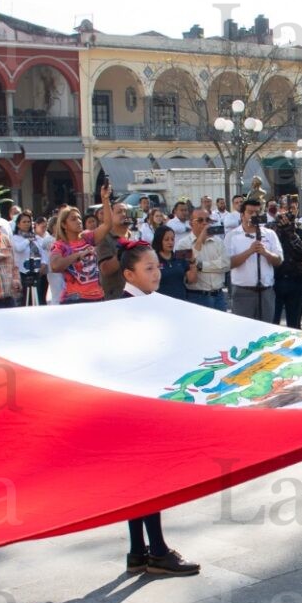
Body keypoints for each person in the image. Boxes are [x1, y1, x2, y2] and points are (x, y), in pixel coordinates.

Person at [116, 241, 202, 577]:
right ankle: (158, 551)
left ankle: (139, 550)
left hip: (139, 403)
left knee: (138, 478)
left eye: (157, 266)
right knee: (148, 478)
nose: (157, 273)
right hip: (138, 405)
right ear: (128, 274)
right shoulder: (130, 308)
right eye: (148, 268)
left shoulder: (143, 304)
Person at [226, 198, 283, 322]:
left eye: (257, 213)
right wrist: (249, 252)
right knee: (243, 332)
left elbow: (279, 260)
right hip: (243, 292)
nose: (254, 216)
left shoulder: (270, 234)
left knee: (266, 333)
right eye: (250, 212)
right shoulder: (232, 235)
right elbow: (228, 264)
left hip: (266, 292)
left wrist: (265, 253)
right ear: (242, 215)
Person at [176, 205, 229, 311]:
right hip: (198, 297)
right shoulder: (182, 245)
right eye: (200, 220)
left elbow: (226, 265)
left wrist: (201, 265)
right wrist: (200, 240)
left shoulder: (218, 241)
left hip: (219, 296)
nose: (205, 223)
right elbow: (188, 268)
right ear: (191, 224)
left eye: (207, 220)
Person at [49, 208, 102, 305]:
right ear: (64, 224)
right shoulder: (60, 245)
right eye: (73, 219)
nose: (78, 221)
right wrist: (78, 255)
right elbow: (55, 266)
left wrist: (105, 199)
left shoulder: (88, 238)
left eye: (79, 218)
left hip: (98, 296)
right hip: (75, 299)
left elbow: (108, 225)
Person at [272, 208, 302, 329]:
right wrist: (279, 230)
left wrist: (291, 233)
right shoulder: (271, 229)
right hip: (276, 279)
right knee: (272, 322)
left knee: (294, 324)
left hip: (296, 280)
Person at [10, 210, 48, 306]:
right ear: (18, 224)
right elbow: (19, 248)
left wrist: (43, 263)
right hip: (22, 273)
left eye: (28, 222)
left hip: (37, 272)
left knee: (39, 299)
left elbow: (43, 251)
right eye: (24, 222)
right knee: (24, 301)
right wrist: (28, 239)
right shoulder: (15, 238)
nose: (27, 224)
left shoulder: (36, 237)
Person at [151, 224, 195, 300]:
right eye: (166, 239)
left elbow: (191, 280)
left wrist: (193, 262)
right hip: (160, 302)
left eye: (172, 239)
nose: (170, 242)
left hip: (181, 301)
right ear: (159, 241)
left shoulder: (180, 255)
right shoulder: (153, 259)